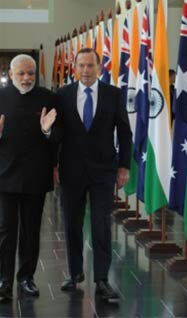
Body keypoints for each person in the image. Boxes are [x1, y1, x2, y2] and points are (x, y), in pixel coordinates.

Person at [46, 48, 132, 302]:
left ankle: (102, 279)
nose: (85, 71)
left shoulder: (113, 94)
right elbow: (57, 134)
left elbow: (125, 133)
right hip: (71, 170)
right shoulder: (62, 95)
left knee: (101, 225)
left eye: (90, 66)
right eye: (81, 66)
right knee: (72, 223)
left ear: (99, 67)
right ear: (74, 67)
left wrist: (124, 166)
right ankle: (74, 274)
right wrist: (53, 164)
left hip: (103, 171)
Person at [0, 54, 57, 300]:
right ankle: (3, 279)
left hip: (36, 174)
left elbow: (60, 136)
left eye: (31, 73)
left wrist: (47, 130)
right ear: (11, 75)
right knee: (5, 229)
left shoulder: (48, 98)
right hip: (4, 175)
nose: (26, 78)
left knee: (31, 230)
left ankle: (26, 278)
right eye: (21, 73)